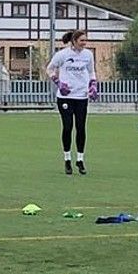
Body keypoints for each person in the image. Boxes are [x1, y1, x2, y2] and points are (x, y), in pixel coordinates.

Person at [47, 30, 98, 174]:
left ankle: (80, 160)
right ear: (74, 40)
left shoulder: (88, 55)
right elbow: (49, 69)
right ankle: (67, 159)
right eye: (82, 40)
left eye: (85, 40)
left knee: (81, 127)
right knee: (68, 126)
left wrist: (93, 85)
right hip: (66, 96)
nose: (84, 43)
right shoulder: (62, 55)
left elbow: (91, 71)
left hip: (81, 96)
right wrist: (58, 82)